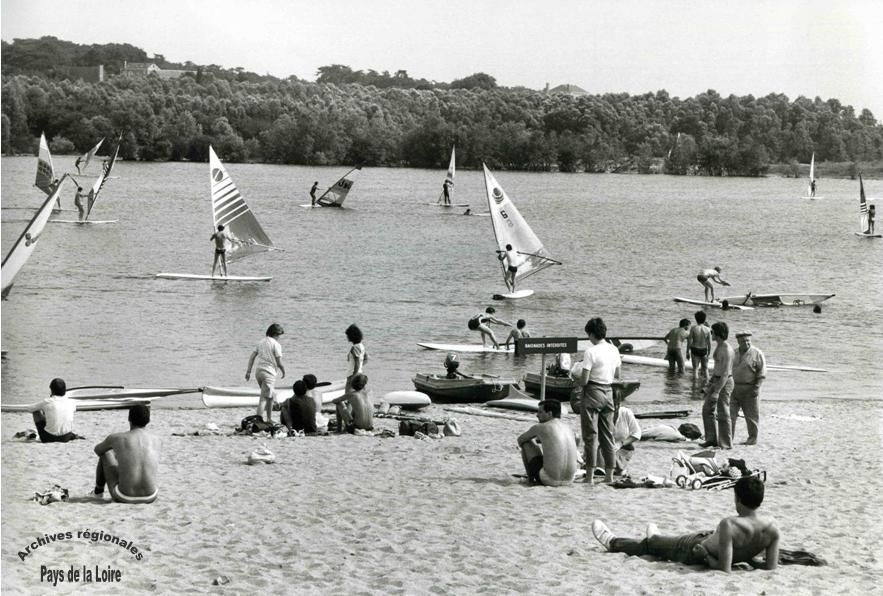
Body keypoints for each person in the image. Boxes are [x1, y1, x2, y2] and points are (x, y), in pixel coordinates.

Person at [592, 475, 779, 572]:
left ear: (737, 499)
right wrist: (748, 559)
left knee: (650, 545)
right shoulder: (772, 527)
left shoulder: (730, 524)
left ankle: (614, 543)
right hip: (707, 538)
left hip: (694, 550)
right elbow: (770, 567)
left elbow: (724, 569)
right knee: (671, 540)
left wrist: (706, 556)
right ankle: (658, 538)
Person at [572, 317, 621, 485]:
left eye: (589, 335)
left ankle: (590, 476)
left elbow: (584, 380)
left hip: (593, 391)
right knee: (608, 436)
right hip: (609, 392)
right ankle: (609, 476)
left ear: (592, 334)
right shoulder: (614, 350)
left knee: (590, 436)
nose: (588, 339)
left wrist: (575, 378)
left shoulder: (590, 352)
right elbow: (618, 375)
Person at [91, 405, 159, 504]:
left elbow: (98, 450)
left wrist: (116, 453)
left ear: (129, 418)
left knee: (106, 452)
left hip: (125, 496)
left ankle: (98, 492)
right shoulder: (156, 439)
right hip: (151, 495)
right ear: (148, 420)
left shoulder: (116, 438)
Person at [517, 400, 579, 486]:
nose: (537, 415)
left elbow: (520, 440)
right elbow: (577, 437)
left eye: (540, 412)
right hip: (570, 480)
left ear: (549, 414)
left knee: (526, 443)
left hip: (549, 480)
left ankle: (530, 480)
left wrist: (537, 443)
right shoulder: (568, 428)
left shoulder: (540, 427)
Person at [701, 322, 734, 449]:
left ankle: (726, 443)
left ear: (718, 334)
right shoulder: (719, 346)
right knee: (706, 410)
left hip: (725, 382)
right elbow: (717, 369)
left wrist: (716, 391)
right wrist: (708, 385)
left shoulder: (727, 350)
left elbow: (725, 373)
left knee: (723, 412)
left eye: (712, 332)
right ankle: (711, 439)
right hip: (716, 379)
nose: (711, 334)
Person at [245, 323, 286, 425]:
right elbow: (279, 361)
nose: (279, 338)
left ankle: (269, 418)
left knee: (270, 396)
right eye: (279, 335)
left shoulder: (261, 342)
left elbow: (252, 356)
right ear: (276, 334)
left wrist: (249, 371)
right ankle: (258, 420)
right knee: (264, 397)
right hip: (269, 372)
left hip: (259, 371)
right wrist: (283, 370)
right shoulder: (276, 345)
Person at [730, 331, 766, 446]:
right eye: (743, 341)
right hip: (734, 388)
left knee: (752, 416)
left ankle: (752, 439)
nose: (746, 343)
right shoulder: (734, 353)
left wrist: (756, 387)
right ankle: (729, 438)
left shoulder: (757, 353)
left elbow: (762, 373)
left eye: (748, 341)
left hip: (751, 388)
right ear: (738, 342)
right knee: (730, 415)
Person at [597, 385, 641, 477]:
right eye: (612, 404)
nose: (615, 407)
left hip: (625, 449)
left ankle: (618, 470)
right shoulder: (602, 414)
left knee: (614, 465)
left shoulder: (626, 413)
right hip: (605, 448)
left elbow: (637, 433)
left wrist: (621, 443)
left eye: (617, 404)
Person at [30, 378, 79, 443]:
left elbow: (30, 408)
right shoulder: (71, 402)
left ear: (51, 390)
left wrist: (44, 408)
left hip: (49, 438)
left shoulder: (47, 401)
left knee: (36, 411)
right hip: (66, 438)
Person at [687, 310, 712, 381]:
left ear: (696, 319)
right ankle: (707, 383)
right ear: (705, 319)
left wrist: (687, 352)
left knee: (695, 369)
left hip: (695, 349)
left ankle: (695, 385)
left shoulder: (693, 328)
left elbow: (689, 341)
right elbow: (709, 342)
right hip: (703, 350)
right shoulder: (708, 329)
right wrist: (709, 353)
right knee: (706, 368)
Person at [345, 323, 368, 392]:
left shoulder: (354, 348)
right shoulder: (361, 346)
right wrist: (360, 367)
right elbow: (366, 358)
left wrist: (354, 376)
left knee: (348, 395)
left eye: (347, 335)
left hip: (352, 375)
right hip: (360, 373)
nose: (347, 337)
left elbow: (357, 361)